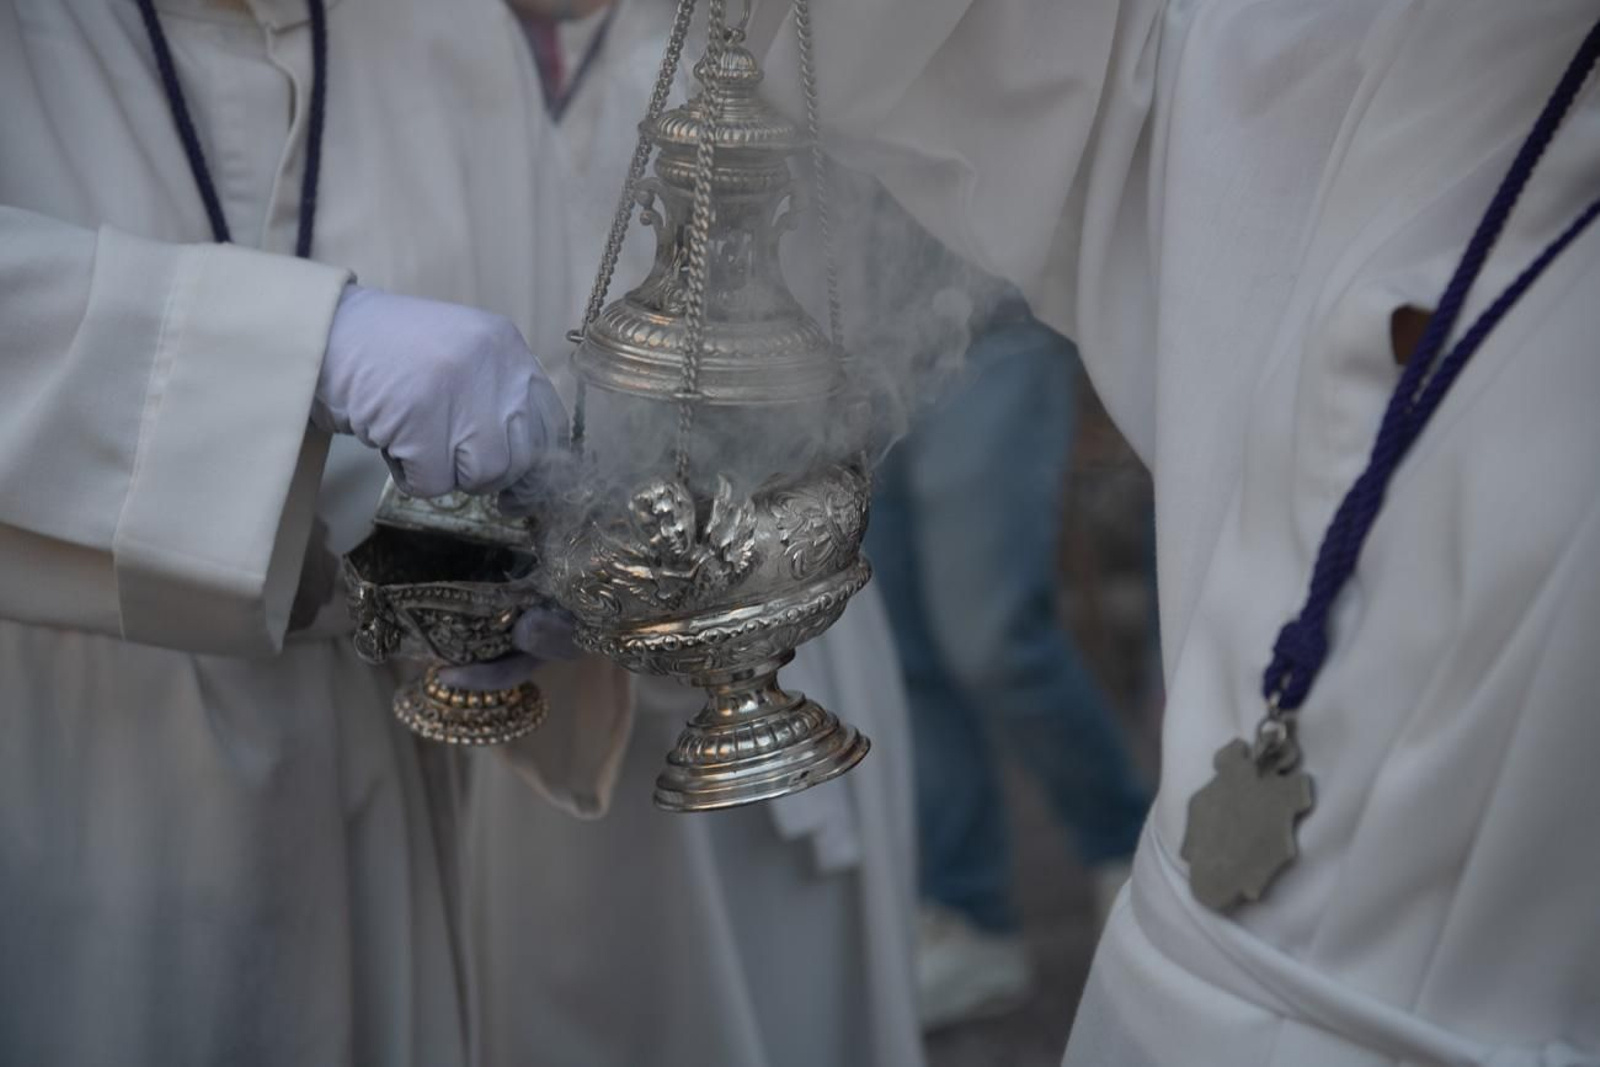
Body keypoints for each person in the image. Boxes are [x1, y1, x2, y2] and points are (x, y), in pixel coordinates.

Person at [745, 1, 1600, 1063]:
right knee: (920, 630)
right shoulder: (1404, 61)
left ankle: (1089, 838)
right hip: (1146, 1009)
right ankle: (973, 902)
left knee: (985, 628)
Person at [0, 2, 634, 1063]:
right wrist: (300, 346)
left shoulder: (448, 28)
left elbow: (530, 373)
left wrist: (529, 560)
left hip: (370, 787)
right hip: (60, 765)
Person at [464, 3, 926, 1064]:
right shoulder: (444, 46)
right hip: (544, 658)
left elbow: (835, 308)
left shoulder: (739, 40)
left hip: (763, 597)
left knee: (769, 997)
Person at [866, 282, 1151, 1029]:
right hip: (849, 343)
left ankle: (1129, 852)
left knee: (991, 639)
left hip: (987, 309)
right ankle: (970, 917)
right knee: (902, 655)